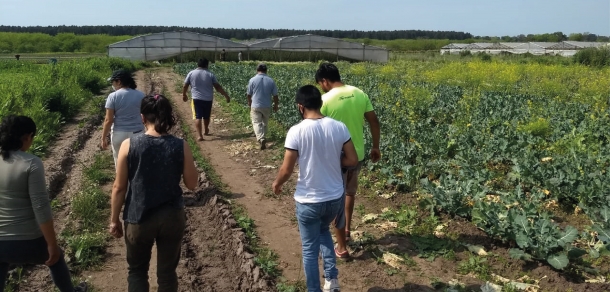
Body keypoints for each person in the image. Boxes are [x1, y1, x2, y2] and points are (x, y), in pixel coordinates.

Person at [272, 85, 358, 292]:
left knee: (309, 250)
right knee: (324, 232)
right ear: (320, 103)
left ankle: (314, 289)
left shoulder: (296, 131)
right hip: (335, 198)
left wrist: (277, 183)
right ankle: (332, 280)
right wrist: (336, 163)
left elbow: (287, 168)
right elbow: (352, 159)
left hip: (309, 200)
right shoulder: (339, 127)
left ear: (300, 107)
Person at [109, 94, 198, 292]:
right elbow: (192, 184)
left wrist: (114, 219)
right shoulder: (180, 145)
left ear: (142, 117)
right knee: (167, 274)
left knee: (137, 271)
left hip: (138, 217)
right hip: (172, 217)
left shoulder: (129, 145)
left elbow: (119, 187)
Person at [0, 115, 88, 292]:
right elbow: (40, 206)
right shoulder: (31, 163)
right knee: (56, 258)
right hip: (28, 240)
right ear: (28, 136)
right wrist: (52, 244)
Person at [315, 62, 381, 259]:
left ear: (325, 81)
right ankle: (346, 230)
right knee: (349, 193)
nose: (321, 87)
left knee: (335, 196)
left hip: (334, 157)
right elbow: (373, 121)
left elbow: (316, 129)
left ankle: (340, 244)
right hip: (357, 154)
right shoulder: (359, 93)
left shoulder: (324, 99)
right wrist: (375, 146)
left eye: (320, 83)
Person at [101, 69, 145, 167]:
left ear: (119, 81)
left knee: (120, 163)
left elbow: (109, 120)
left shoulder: (113, 96)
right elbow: (145, 116)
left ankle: (122, 181)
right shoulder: (141, 95)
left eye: (113, 81)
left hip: (119, 134)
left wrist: (103, 138)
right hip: (138, 133)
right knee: (137, 163)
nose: (113, 84)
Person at [182, 58, 231, 141]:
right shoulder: (210, 74)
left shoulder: (191, 73)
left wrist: (184, 95)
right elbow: (217, 87)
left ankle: (200, 136)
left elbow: (185, 85)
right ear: (206, 65)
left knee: (198, 116)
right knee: (206, 116)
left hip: (196, 98)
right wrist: (226, 95)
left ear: (198, 64)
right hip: (208, 99)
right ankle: (206, 130)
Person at [247, 63, 279, 150]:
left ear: (257, 70)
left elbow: (249, 94)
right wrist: (276, 105)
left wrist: (249, 102)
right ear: (266, 70)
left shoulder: (252, 80)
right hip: (267, 105)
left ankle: (261, 138)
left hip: (256, 105)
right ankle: (263, 136)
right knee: (265, 123)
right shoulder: (271, 80)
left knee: (256, 122)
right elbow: (275, 95)